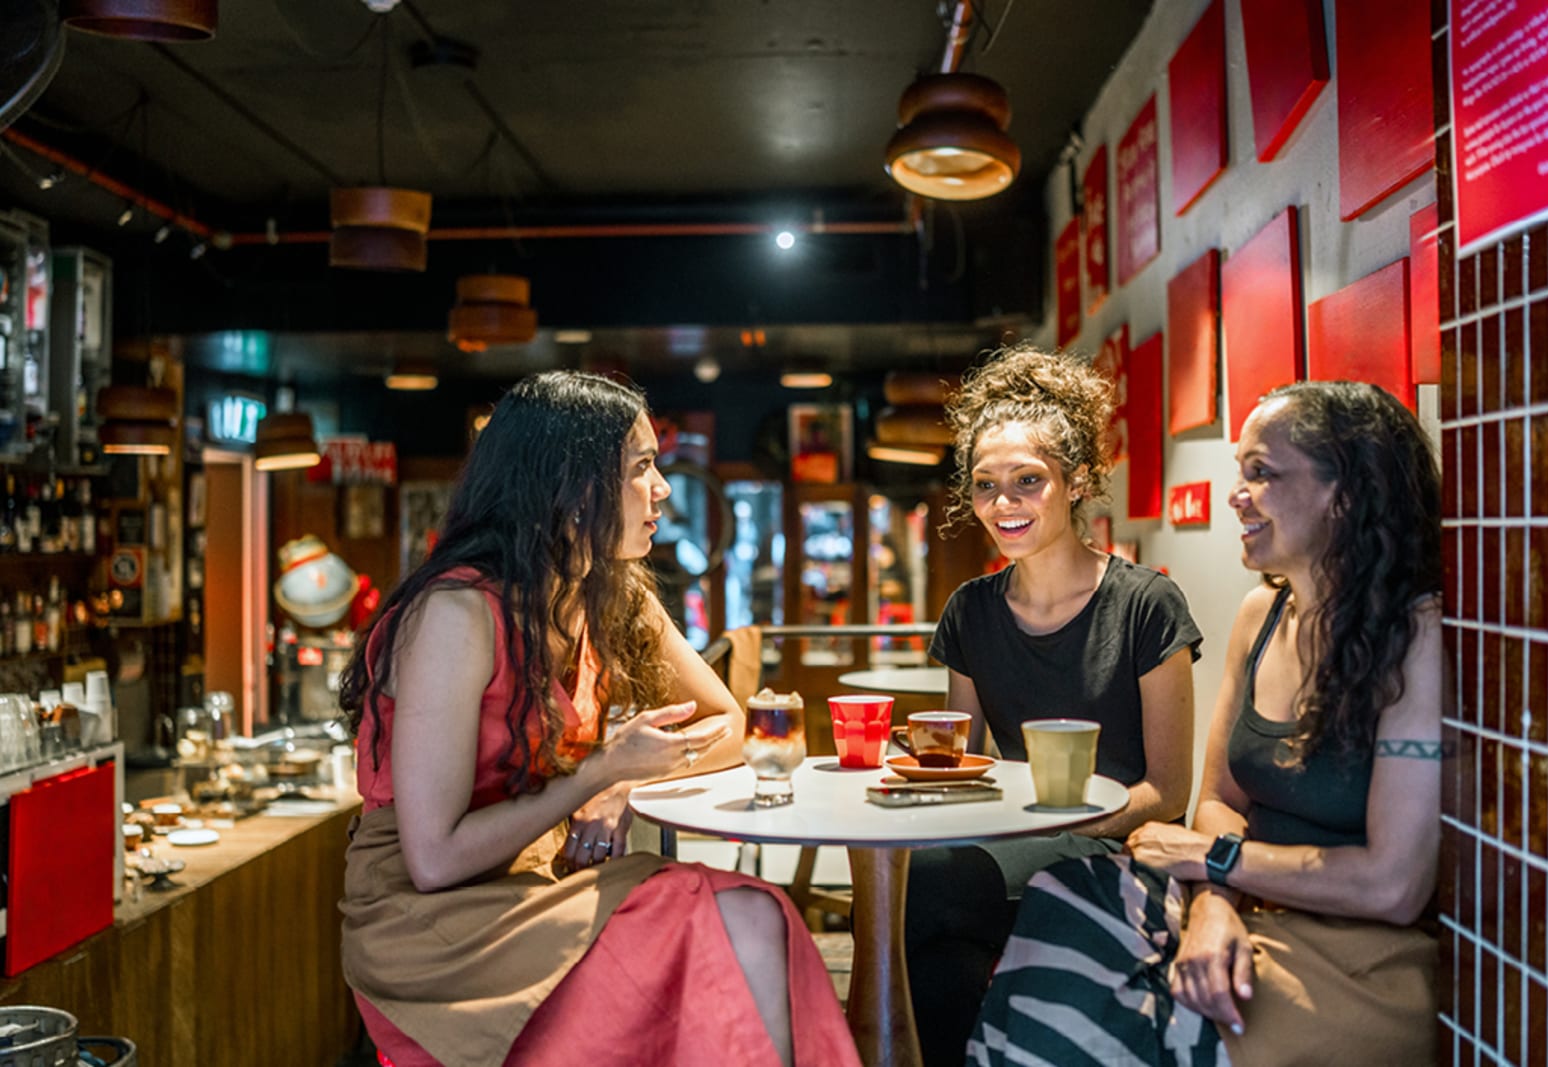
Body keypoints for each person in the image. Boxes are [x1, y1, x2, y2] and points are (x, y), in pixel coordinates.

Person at [338, 371, 859, 1067]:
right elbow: (433, 860)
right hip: (432, 927)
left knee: (759, 917)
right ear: (570, 485)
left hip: (537, 883)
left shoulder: (609, 593)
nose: (663, 489)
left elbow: (728, 722)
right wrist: (598, 773)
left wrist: (618, 787)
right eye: (643, 467)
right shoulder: (457, 614)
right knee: (745, 923)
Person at [967, 380, 1443, 1066]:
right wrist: (1215, 903)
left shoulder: (1417, 635)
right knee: (1060, 899)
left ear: (1344, 492)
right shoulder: (1263, 613)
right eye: (1239, 472)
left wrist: (1212, 861)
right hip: (1242, 904)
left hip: (1361, 956)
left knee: (1129, 1028)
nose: (1236, 495)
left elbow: (1394, 886)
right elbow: (1219, 799)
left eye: (1262, 473)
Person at [907, 344, 1203, 1065]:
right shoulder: (970, 612)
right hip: (1013, 842)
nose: (1003, 504)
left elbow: (1168, 792)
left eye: (1028, 481)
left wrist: (1071, 816)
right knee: (918, 884)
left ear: (1076, 483)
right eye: (986, 484)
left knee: (934, 887)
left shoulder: (1145, 604)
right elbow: (965, 765)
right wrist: (912, 768)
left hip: (1124, 844)